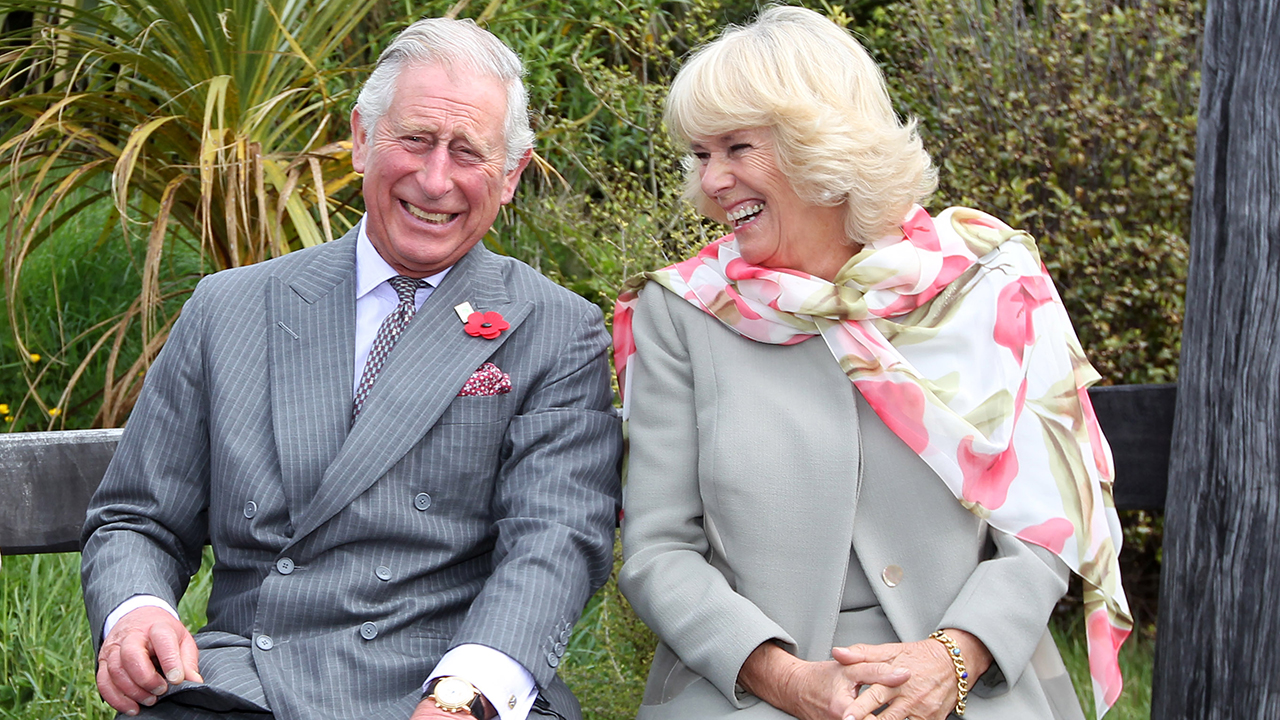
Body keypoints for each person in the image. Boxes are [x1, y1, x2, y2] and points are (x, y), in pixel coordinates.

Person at [81, 17, 622, 720]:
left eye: (468, 152)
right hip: (250, 681)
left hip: (452, 677)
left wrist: (469, 691)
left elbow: (555, 541)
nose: (435, 180)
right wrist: (136, 611)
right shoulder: (231, 307)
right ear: (363, 139)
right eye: (416, 140)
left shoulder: (556, 329)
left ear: (512, 174)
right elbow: (138, 518)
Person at [612, 7, 1131, 720]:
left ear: (817, 144)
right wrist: (787, 680)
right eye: (701, 156)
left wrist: (953, 657)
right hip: (748, 691)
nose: (712, 183)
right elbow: (657, 549)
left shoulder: (984, 283)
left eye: (737, 148)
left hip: (971, 682)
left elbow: (1048, 521)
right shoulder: (681, 312)